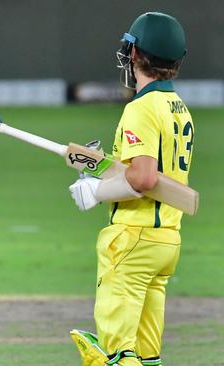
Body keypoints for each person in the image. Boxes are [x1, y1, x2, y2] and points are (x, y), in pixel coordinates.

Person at [68, 12, 193, 366]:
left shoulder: (141, 108)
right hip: (166, 240)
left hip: (133, 240)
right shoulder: (179, 108)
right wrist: (101, 167)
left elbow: (143, 178)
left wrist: (96, 191)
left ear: (135, 54)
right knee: (147, 355)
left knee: (117, 355)